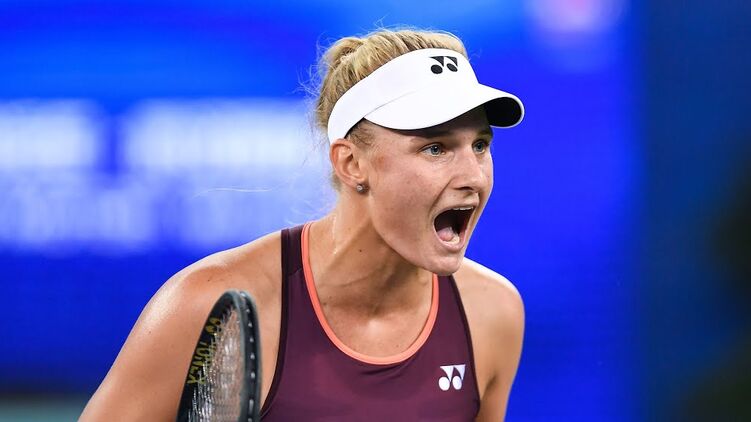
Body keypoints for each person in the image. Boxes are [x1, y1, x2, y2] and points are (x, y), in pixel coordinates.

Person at [81, 28, 525, 421]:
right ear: (351, 163)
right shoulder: (209, 305)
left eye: (480, 145)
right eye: (436, 148)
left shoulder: (492, 312)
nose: (473, 177)